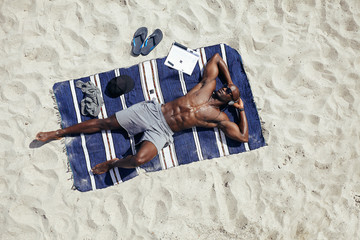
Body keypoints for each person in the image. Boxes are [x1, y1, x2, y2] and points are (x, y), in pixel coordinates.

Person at [36, 53, 249, 174]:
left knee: (139, 160)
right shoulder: (207, 85)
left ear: (230, 100)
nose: (225, 88)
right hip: (153, 112)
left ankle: (114, 163)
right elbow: (217, 58)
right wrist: (230, 80)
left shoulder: (220, 117)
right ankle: (59, 132)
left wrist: (241, 111)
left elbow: (243, 137)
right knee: (105, 123)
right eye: (227, 86)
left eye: (229, 91)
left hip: (164, 131)